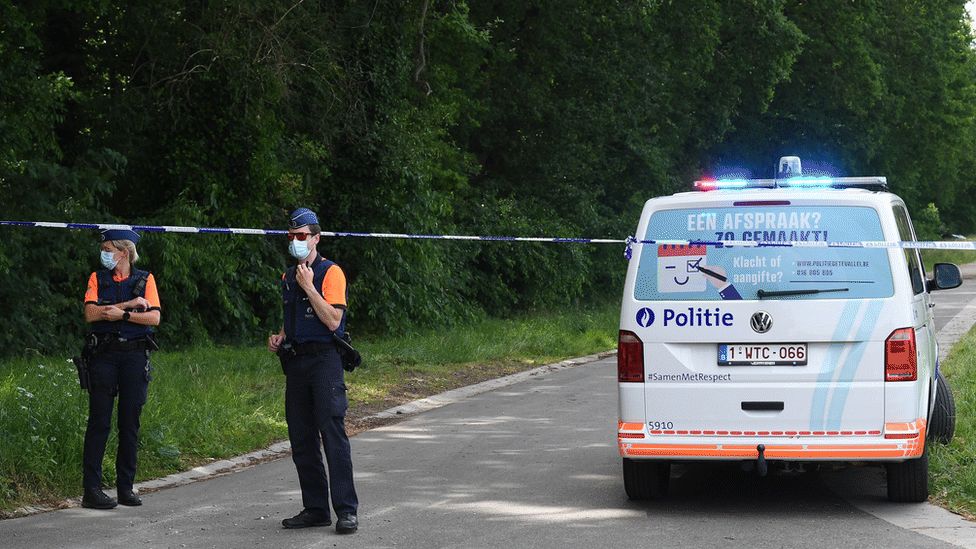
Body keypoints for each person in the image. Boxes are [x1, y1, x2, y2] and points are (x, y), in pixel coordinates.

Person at [269, 207, 359, 534]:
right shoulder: (287, 277)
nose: (295, 241)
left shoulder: (330, 273)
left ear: (316, 238)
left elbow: (333, 320)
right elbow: (293, 318)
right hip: (297, 364)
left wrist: (309, 287)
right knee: (302, 439)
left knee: (332, 435)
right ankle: (316, 508)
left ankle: (346, 510)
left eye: (302, 236)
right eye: (291, 236)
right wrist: (281, 336)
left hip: (325, 362)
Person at [81, 228, 161, 509]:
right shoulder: (97, 277)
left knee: (130, 423)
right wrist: (127, 305)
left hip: (134, 357)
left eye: (107, 248)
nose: (103, 253)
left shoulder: (145, 279)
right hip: (103, 356)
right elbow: (91, 314)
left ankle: (125, 488)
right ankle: (91, 490)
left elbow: (154, 316)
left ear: (123, 252)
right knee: (99, 422)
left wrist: (121, 315)